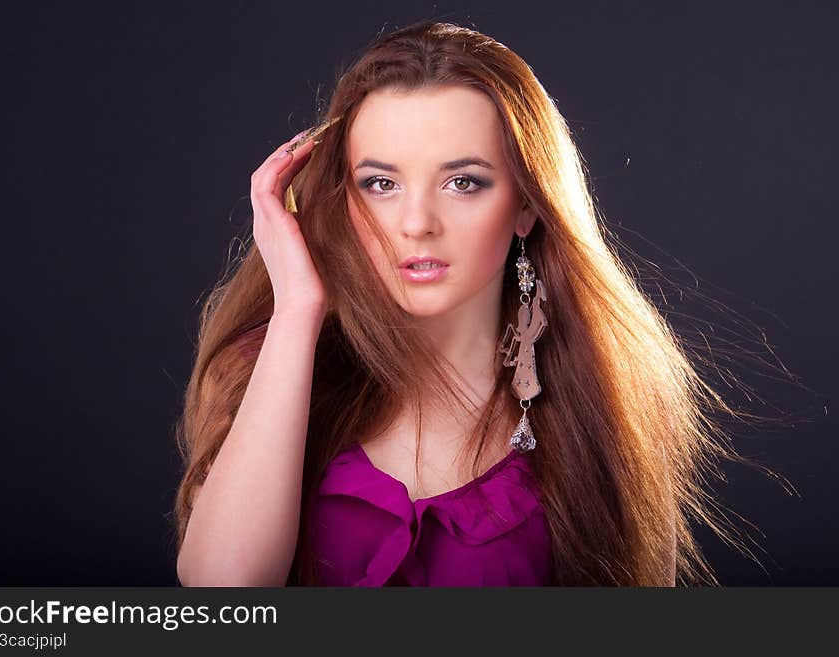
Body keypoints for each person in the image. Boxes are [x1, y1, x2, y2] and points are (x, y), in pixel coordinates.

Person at [172, 20, 753, 586]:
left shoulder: (596, 402)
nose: (417, 224)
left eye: (463, 182)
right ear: (343, 196)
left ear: (527, 204)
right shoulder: (269, 367)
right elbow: (224, 594)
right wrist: (297, 305)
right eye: (381, 184)